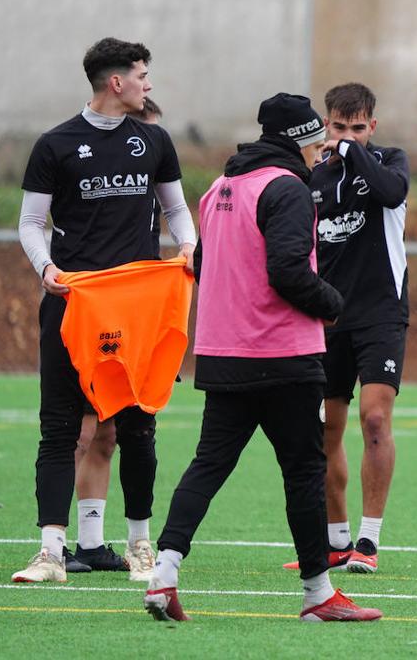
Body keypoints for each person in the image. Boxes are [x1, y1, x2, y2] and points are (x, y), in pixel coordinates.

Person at [144, 93, 381, 623]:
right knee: (302, 470)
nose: (323, 150)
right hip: (282, 354)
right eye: (317, 140)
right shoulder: (288, 188)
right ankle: (319, 594)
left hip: (223, 354)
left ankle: (164, 573)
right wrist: (333, 303)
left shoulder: (219, 188)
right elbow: (289, 272)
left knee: (209, 464)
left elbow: (204, 265)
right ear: (299, 140)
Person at [14, 39, 196, 583]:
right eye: (142, 75)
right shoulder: (56, 144)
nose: (148, 84)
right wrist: (47, 271)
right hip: (76, 305)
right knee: (60, 430)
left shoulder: (155, 140)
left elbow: (176, 208)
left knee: (139, 428)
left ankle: (141, 544)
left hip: (138, 309)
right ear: (115, 82)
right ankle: (51, 552)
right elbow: (30, 224)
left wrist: (188, 247)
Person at [297, 82, 410, 574]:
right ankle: (337, 540)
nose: (347, 137)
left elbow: (391, 193)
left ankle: (369, 539)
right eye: (338, 128)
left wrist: (349, 150)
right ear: (326, 123)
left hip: (382, 312)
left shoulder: (390, 162)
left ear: (373, 127)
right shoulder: (313, 178)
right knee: (324, 430)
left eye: (357, 128)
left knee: (375, 419)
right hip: (328, 318)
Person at [66, 97, 167, 575]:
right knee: (88, 430)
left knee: (129, 431)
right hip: (97, 309)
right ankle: (83, 542)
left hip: (140, 314)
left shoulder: (155, 182)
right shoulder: (96, 174)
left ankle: (133, 540)